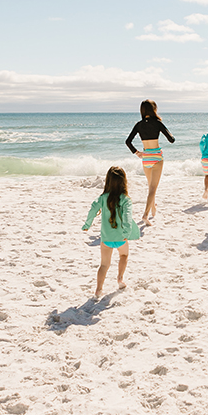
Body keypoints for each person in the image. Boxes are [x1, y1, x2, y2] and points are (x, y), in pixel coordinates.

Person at [82, 166, 141, 298]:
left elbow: (93, 209)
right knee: (124, 256)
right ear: (123, 181)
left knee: (104, 265)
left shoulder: (103, 198)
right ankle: (120, 278)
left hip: (106, 239)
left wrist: (87, 224)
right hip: (121, 238)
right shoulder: (126, 199)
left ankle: (98, 289)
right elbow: (127, 217)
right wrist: (126, 233)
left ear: (108, 181)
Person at [125, 99, 175, 225]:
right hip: (157, 156)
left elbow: (128, 141)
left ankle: (153, 207)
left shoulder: (139, 124)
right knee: (153, 187)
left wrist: (137, 153)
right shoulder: (157, 123)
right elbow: (171, 139)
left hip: (146, 157)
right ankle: (145, 215)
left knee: (150, 186)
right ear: (154, 110)